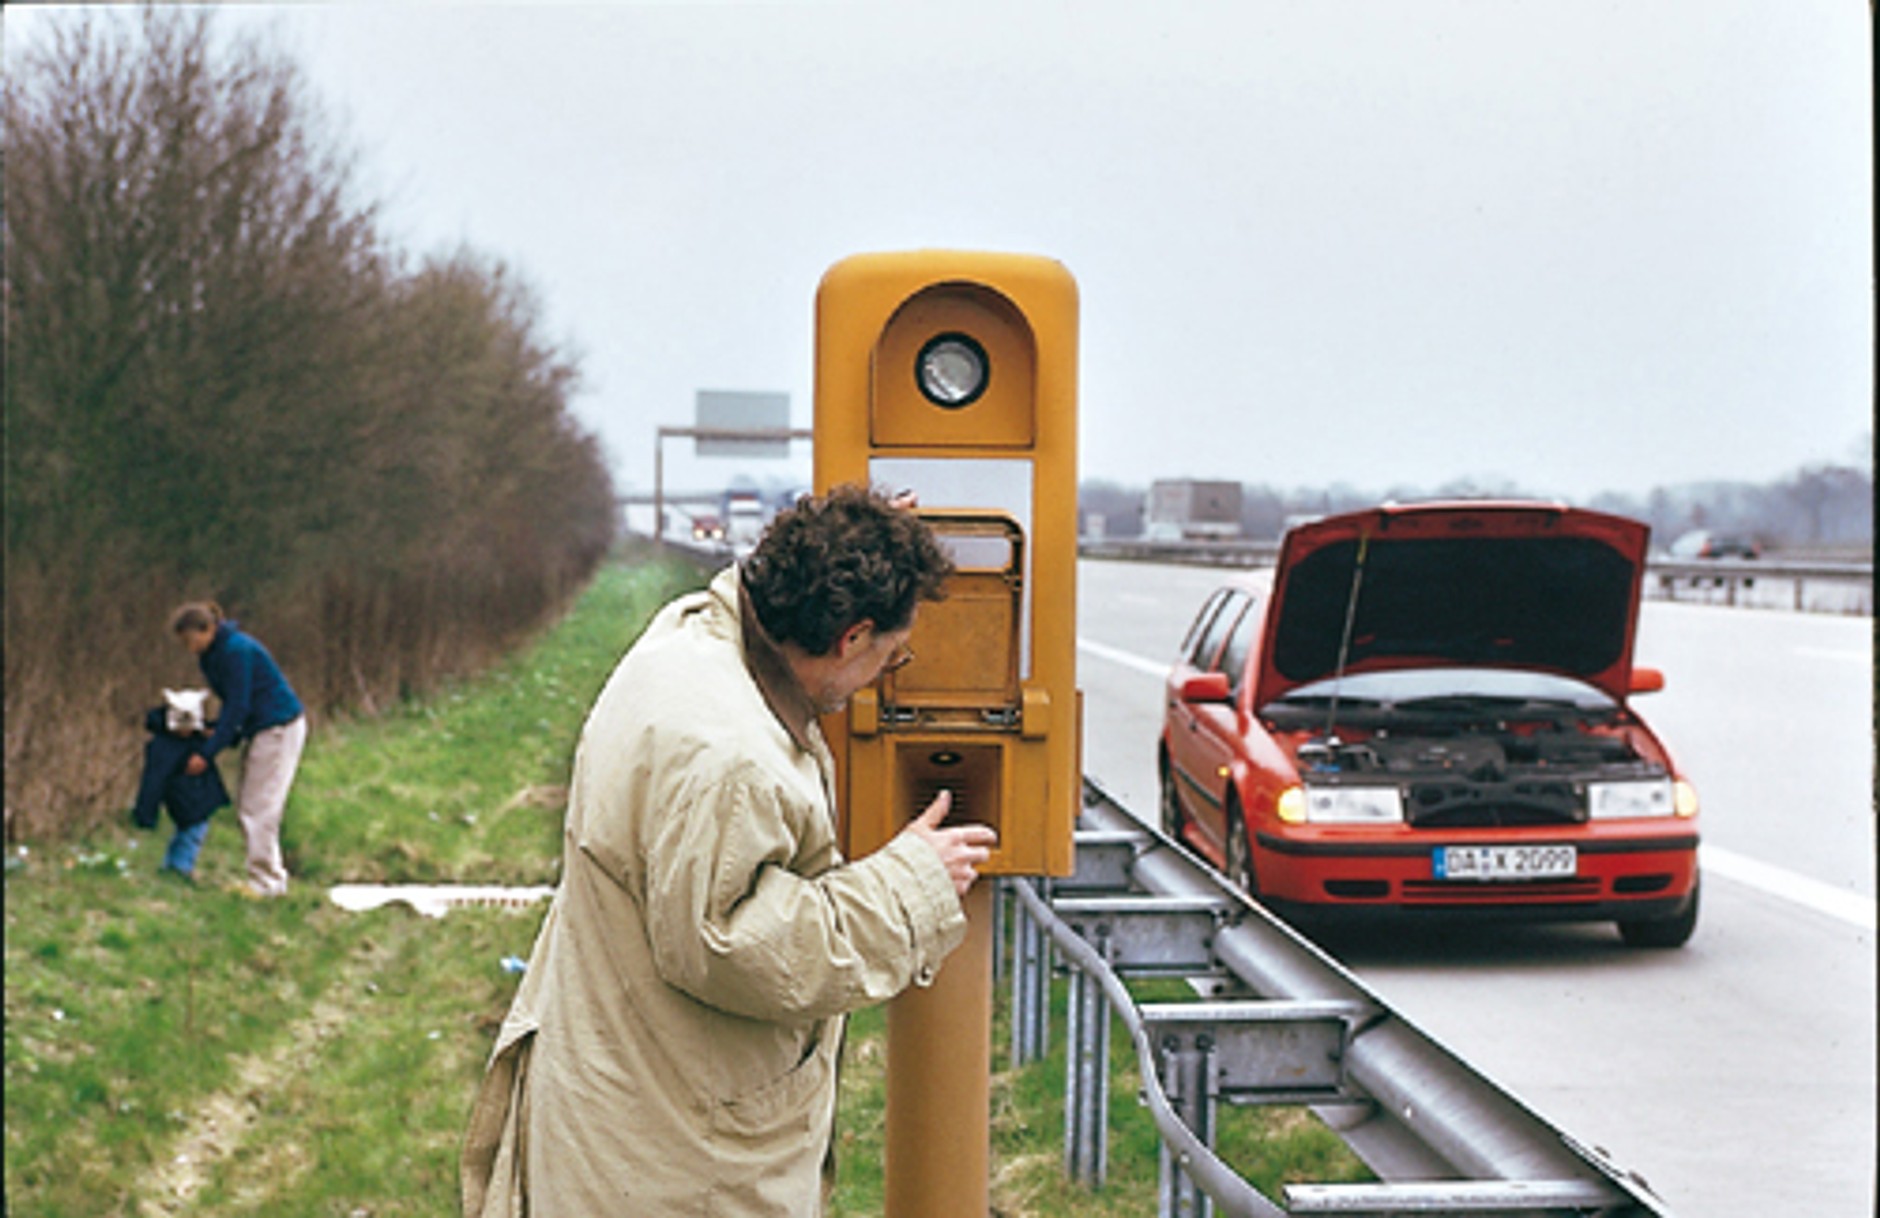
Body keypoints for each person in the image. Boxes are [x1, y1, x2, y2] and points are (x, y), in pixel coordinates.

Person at [461, 485, 998, 1217]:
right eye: (889, 657)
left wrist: (866, 538)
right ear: (850, 637)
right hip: (673, 1158)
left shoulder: (688, 640)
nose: (884, 677)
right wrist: (910, 886)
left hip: (625, 1094)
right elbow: (727, 944)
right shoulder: (730, 758)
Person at [169, 602, 307, 897]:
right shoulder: (211, 656)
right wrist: (219, 731)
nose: (188, 647)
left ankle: (267, 884)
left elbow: (239, 704)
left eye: (190, 640)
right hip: (260, 728)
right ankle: (267, 879)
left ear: (208, 630)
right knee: (250, 803)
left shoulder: (236, 652)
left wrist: (208, 752)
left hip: (278, 728)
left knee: (259, 806)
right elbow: (236, 705)